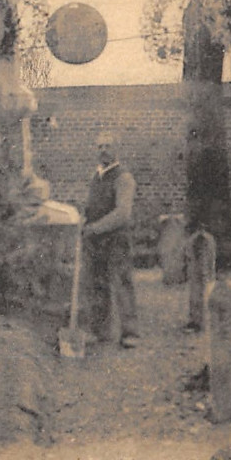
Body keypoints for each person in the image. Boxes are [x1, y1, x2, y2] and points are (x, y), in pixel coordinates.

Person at [79, 131, 139, 349]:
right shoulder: (96, 177)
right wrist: (84, 220)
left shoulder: (124, 177)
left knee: (122, 283)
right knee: (97, 284)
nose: (103, 150)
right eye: (99, 146)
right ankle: (100, 331)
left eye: (107, 146)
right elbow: (92, 206)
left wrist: (96, 227)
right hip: (96, 241)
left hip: (116, 239)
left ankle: (130, 332)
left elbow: (123, 213)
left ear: (117, 149)